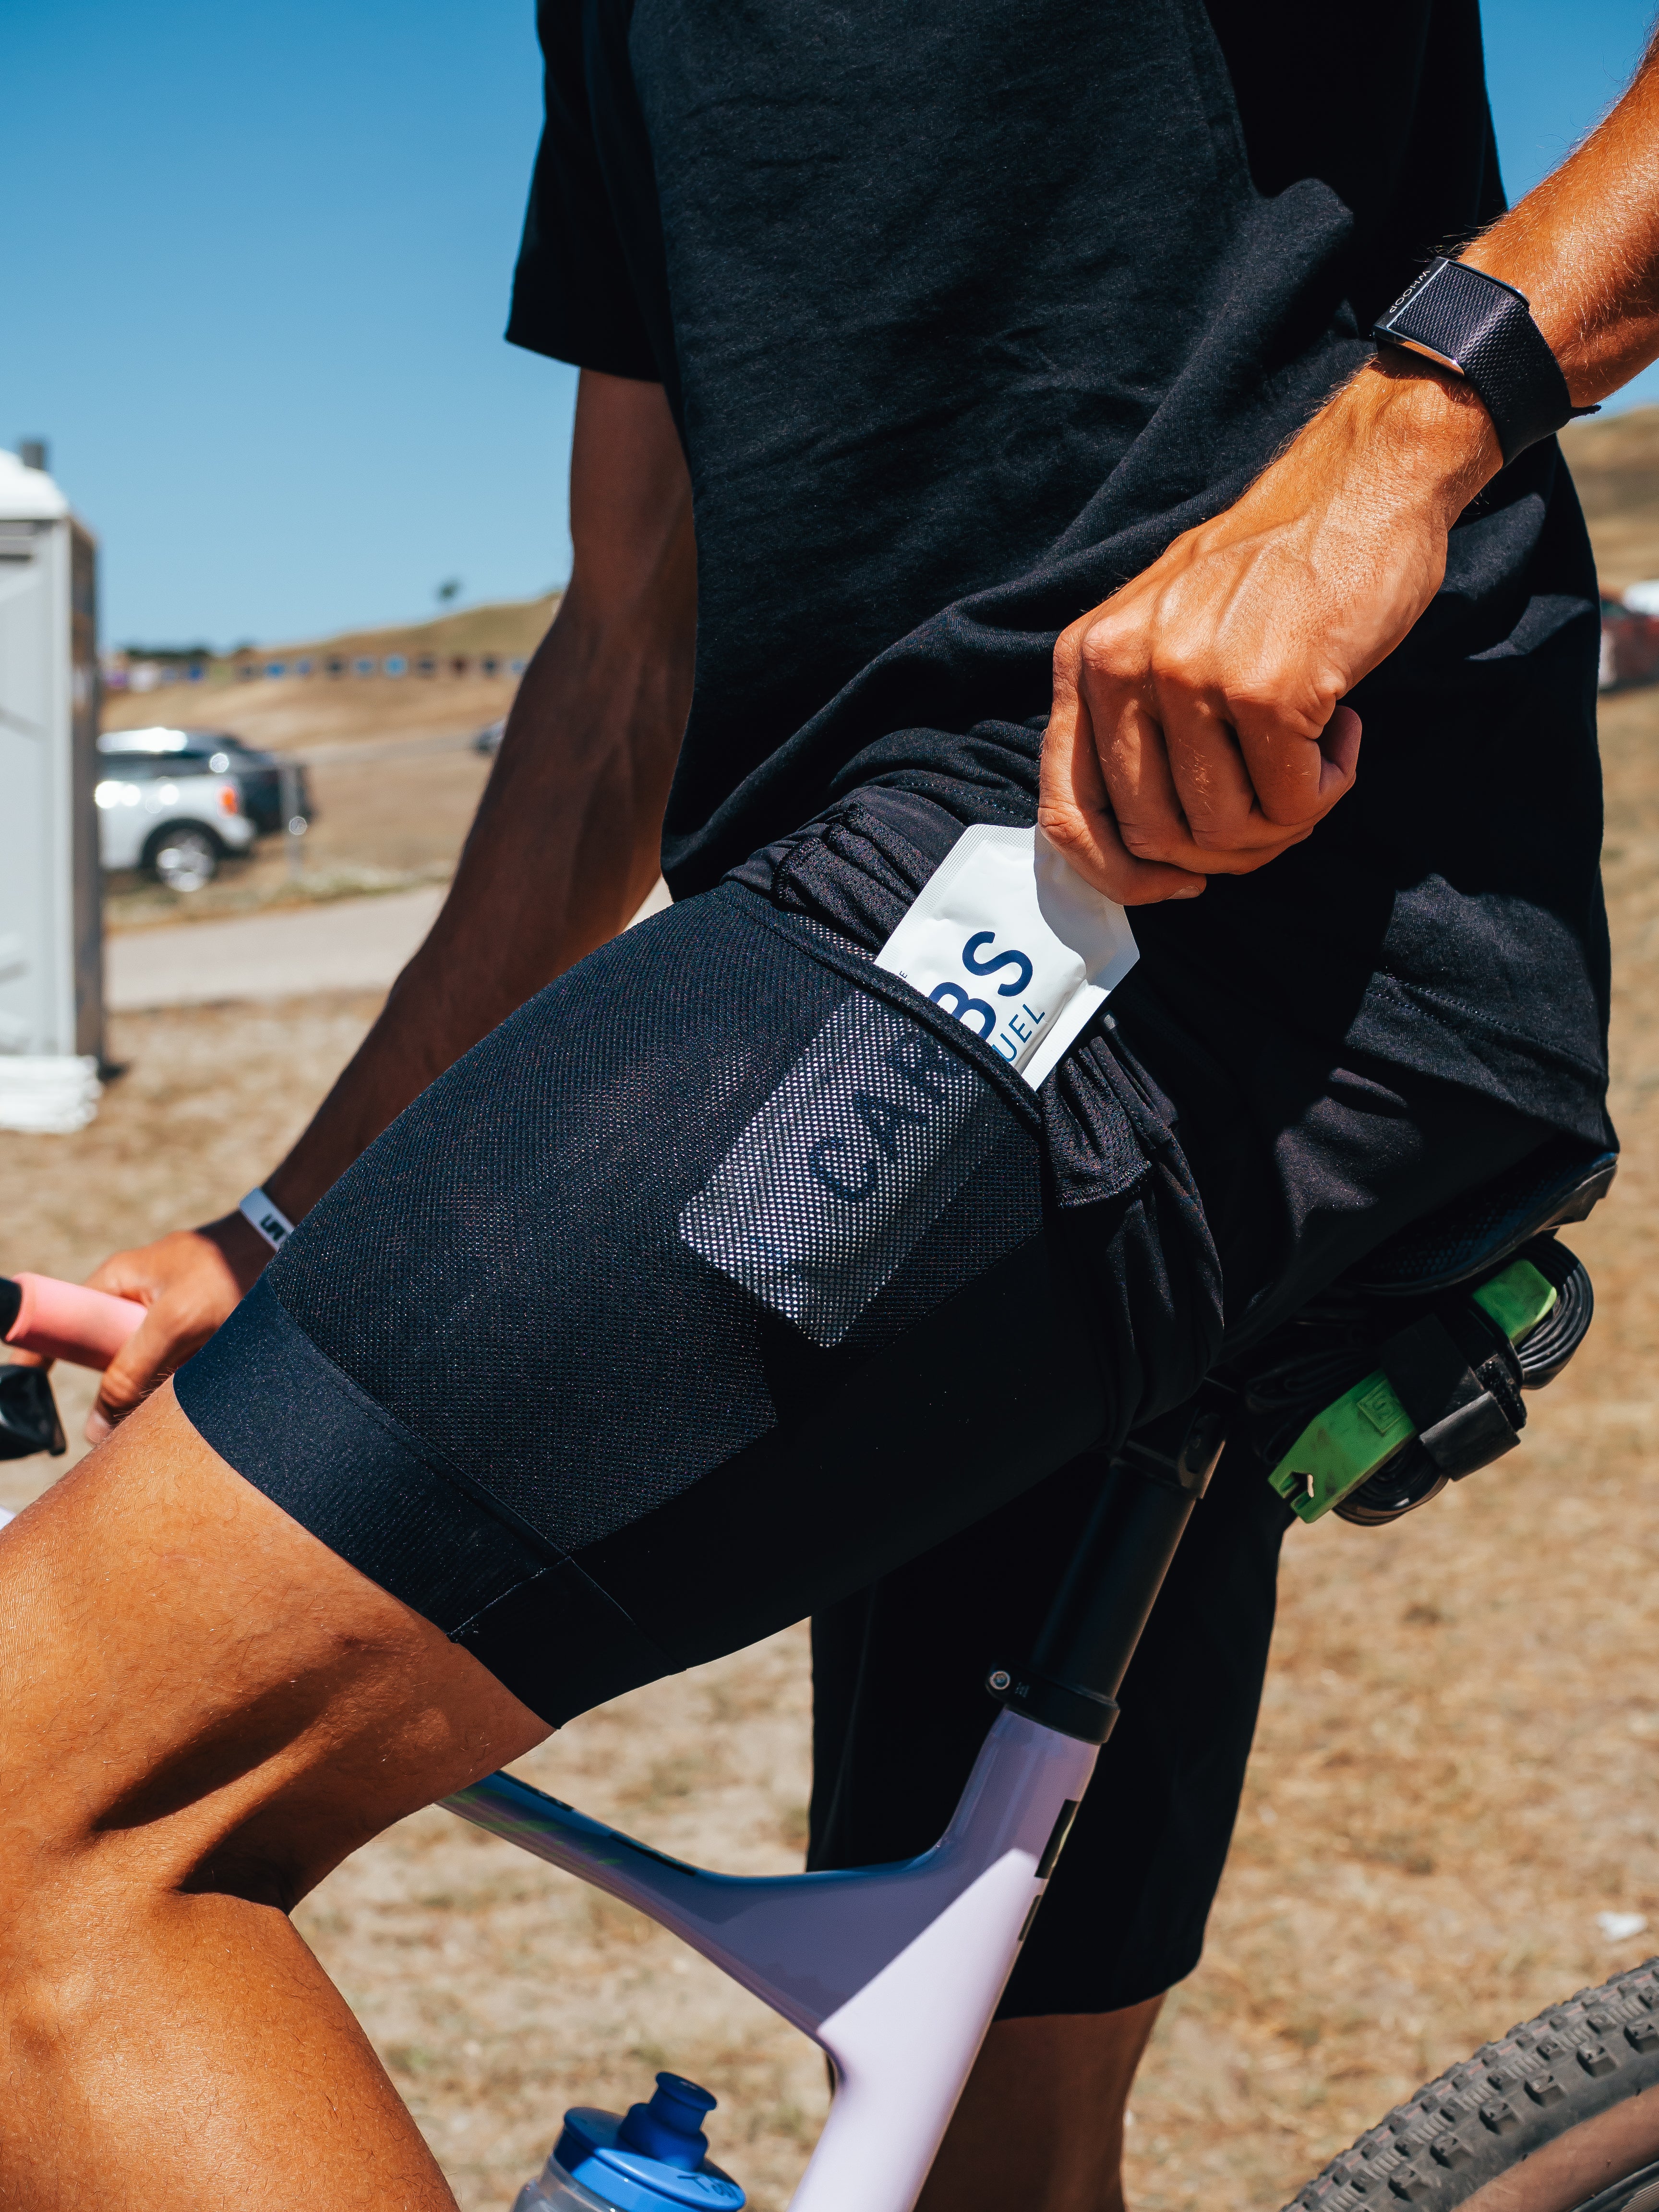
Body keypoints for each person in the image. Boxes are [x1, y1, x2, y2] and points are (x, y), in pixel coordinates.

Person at [1, 2, 1650, 2204]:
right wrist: (285, 1224)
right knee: (983, 2156)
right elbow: (626, 659)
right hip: (941, 958)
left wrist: (1402, 440)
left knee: (38, 1813)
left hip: (1150, 888)